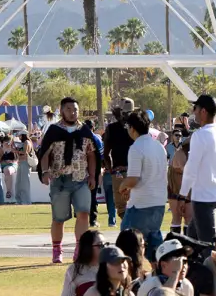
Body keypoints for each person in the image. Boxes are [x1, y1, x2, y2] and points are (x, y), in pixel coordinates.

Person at [36, 96, 99, 263]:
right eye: (69, 109)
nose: (73, 112)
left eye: (76, 109)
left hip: (81, 179)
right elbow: (44, 153)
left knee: (84, 214)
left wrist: (93, 175)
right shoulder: (54, 131)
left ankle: (80, 249)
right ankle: (57, 249)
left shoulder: (84, 130)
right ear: (62, 110)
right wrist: (45, 172)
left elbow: (92, 154)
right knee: (59, 218)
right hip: (60, 180)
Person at [179, 96, 216, 244]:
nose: (194, 113)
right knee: (191, 241)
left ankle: (212, 266)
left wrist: (182, 195)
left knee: (207, 244)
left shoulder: (200, 135)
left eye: (196, 109)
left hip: (203, 197)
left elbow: (191, 168)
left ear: (203, 111)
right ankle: (190, 265)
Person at [119, 109, 169, 254]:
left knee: (129, 244)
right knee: (154, 248)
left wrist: (123, 185)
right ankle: (157, 274)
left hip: (141, 204)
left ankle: (136, 274)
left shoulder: (136, 148)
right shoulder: (159, 147)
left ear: (132, 128)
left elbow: (133, 179)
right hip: (159, 202)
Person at [105, 98, 137, 227]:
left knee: (131, 204)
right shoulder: (112, 128)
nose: (127, 116)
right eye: (126, 113)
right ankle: (130, 229)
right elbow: (106, 153)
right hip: (122, 171)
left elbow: (106, 153)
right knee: (123, 206)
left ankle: (131, 229)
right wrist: (111, 170)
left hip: (131, 170)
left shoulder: (137, 128)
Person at [63, 229, 107, 296]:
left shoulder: (112, 267)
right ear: (88, 248)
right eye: (100, 245)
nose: (105, 248)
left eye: (106, 244)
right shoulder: (74, 270)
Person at [15, 132, 34, 205]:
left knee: (24, 183)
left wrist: (17, 150)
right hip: (21, 163)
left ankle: (26, 201)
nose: (19, 137)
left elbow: (24, 152)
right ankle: (20, 200)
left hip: (25, 163)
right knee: (19, 183)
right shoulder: (25, 142)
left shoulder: (26, 142)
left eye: (20, 135)